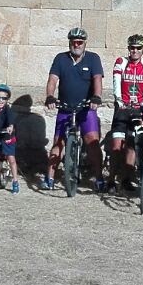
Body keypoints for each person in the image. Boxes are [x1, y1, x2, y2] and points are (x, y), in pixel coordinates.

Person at [44, 26, 104, 192]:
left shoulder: (93, 58)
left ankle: (99, 177)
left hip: (85, 108)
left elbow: (97, 80)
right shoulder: (61, 59)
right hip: (65, 107)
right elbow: (52, 81)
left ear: (85, 43)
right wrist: (50, 96)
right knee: (58, 142)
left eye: (80, 42)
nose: (76, 45)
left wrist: (97, 97)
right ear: (69, 43)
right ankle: (49, 177)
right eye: (73, 42)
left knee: (92, 141)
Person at [108, 33, 143, 188]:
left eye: (138, 48)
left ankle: (127, 179)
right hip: (122, 108)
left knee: (132, 144)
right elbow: (116, 81)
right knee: (116, 146)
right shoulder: (121, 62)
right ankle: (111, 179)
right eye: (132, 48)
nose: (134, 51)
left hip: (139, 110)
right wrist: (118, 99)